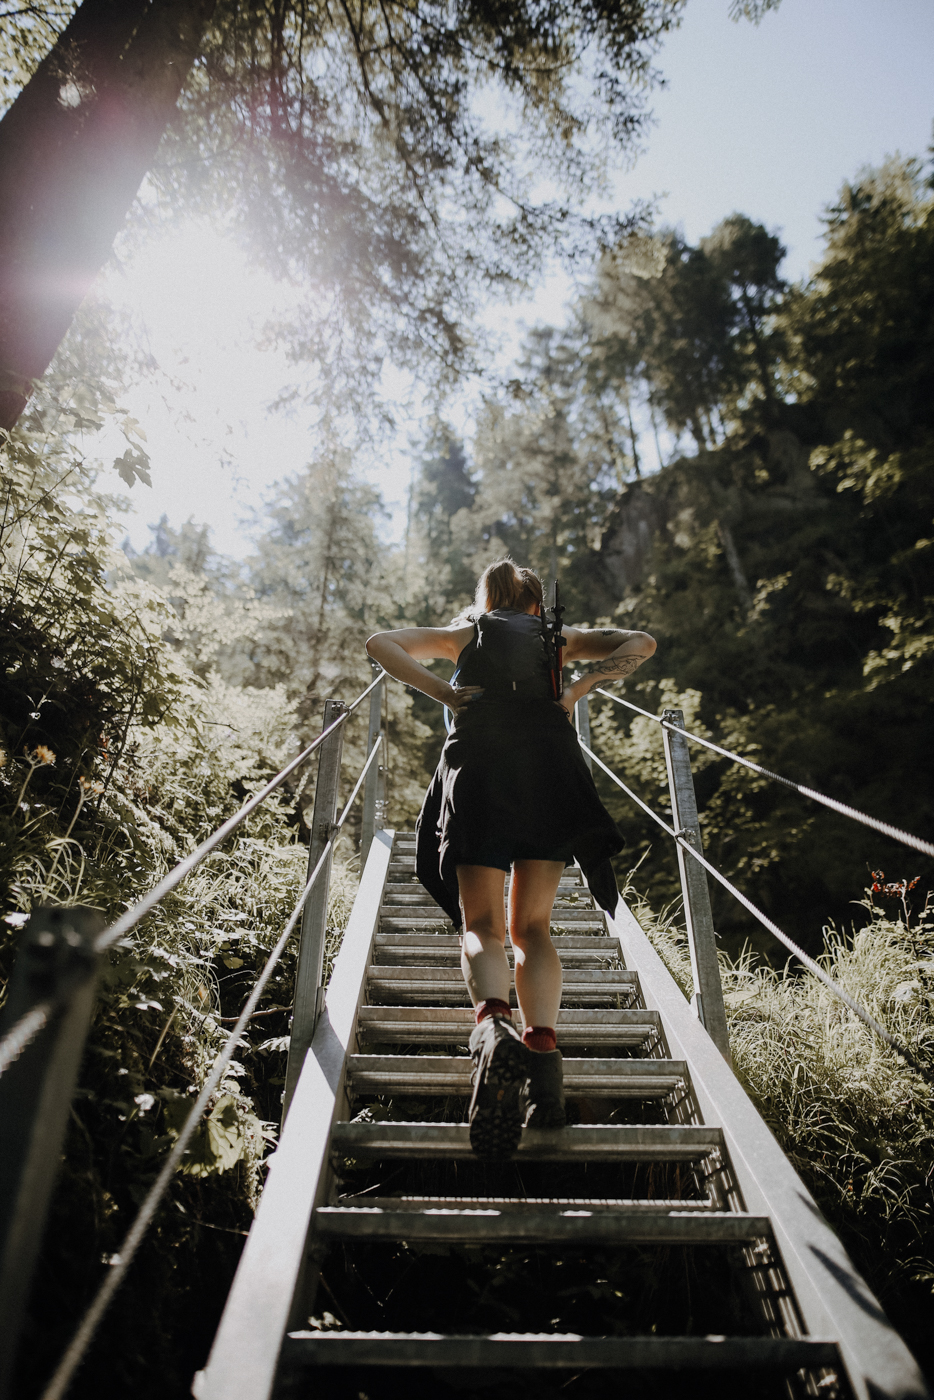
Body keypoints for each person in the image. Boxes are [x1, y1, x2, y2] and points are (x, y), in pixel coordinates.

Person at [365, 559, 656, 1157]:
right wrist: (576, 687)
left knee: (482, 925)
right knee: (533, 927)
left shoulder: (466, 631)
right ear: (535, 603)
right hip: (551, 769)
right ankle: (544, 1065)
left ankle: (494, 1028)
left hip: (480, 768)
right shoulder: (557, 639)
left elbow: (381, 644)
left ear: (488, 597)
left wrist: (446, 691)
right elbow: (642, 642)